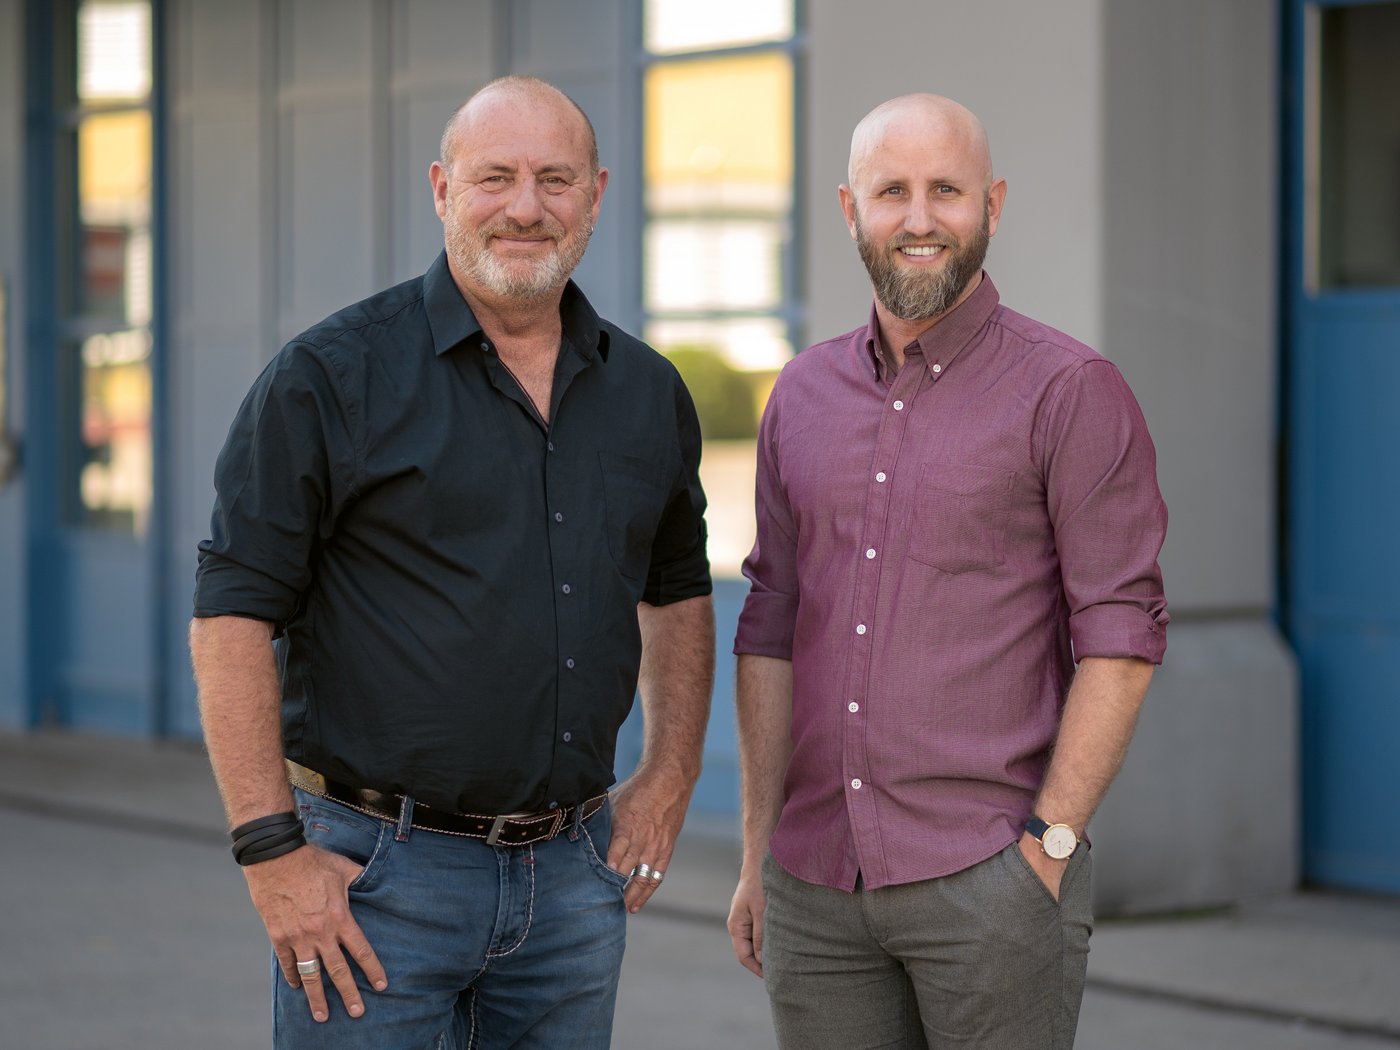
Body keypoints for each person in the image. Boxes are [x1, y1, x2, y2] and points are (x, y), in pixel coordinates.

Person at [190, 75, 715, 1050]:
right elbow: (231, 616)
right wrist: (270, 852)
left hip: (569, 883)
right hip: (372, 882)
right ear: (440, 188)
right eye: (494, 178)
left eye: (554, 179)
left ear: (596, 193)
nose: (525, 207)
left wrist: (670, 774)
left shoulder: (646, 392)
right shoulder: (328, 380)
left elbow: (677, 589)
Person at [726, 93, 1169, 1050]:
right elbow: (769, 625)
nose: (919, 219)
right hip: (814, 889)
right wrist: (760, 854)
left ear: (993, 205)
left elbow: (1122, 640)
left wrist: (1047, 850)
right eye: (892, 191)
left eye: (947, 191)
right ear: (850, 210)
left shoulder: (1069, 390)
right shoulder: (799, 396)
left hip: (989, 882)